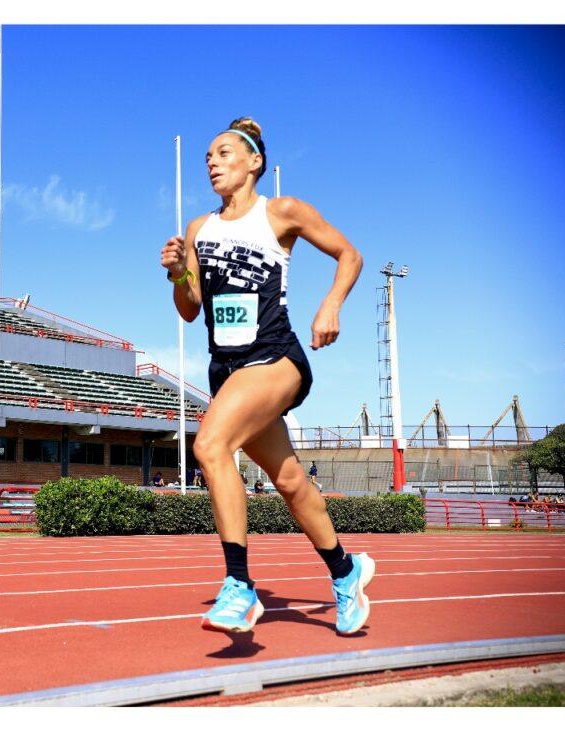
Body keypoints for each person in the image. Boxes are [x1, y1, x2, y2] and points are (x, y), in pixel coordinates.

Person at [160, 117, 370, 635]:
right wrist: (176, 273)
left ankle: (238, 586)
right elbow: (189, 310)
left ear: (254, 162)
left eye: (223, 152)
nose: (212, 161)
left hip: (275, 358)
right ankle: (347, 572)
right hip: (226, 370)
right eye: (208, 156)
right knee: (291, 481)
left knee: (210, 445)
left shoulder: (281, 212)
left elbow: (350, 254)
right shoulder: (197, 230)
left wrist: (331, 305)